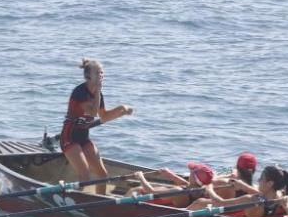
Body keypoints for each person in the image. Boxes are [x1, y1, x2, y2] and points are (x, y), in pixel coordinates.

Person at [60, 58, 134, 195]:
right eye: (97, 73)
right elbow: (93, 112)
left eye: (102, 72)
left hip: (83, 137)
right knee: (85, 174)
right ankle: (79, 202)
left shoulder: (98, 95)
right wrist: (98, 91)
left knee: (102, 174)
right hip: (69, 137)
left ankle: (100, 201)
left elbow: (104, 117)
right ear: (88, 76)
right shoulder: (80, 92)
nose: (101, 75)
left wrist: (122, 110)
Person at [185, 164, 288, 217]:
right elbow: (263, 195)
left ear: (270, 184)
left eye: (261, 179)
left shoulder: (250, 199)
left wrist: (209, 190)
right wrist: (244, 187)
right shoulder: (279, 196)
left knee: (200, 202)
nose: (258, 181)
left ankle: (177, 216)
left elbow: (220, 203)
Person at [130, 162, 215, 207]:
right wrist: (169, 174)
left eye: (191, 172)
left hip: (159, 204)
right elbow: (186, 184)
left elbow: (151, 192)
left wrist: (140, 176)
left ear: (194, 178)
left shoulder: (178, 192)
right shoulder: (201, 190)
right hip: (174, 200)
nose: (190, 173)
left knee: (135, 190)